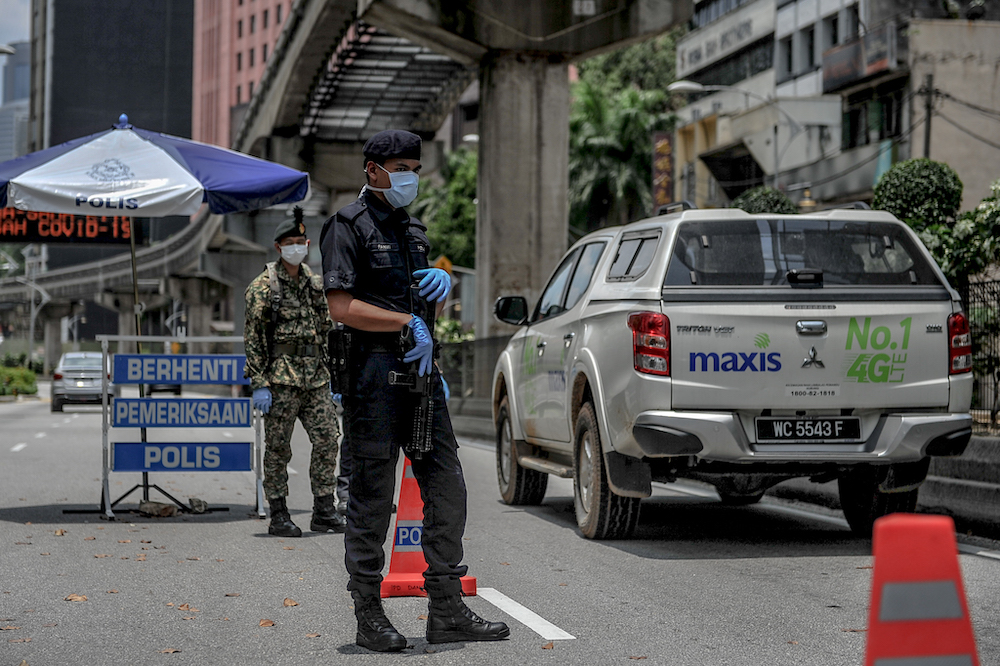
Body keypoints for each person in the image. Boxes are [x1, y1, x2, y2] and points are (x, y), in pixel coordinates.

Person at [320, 129, 509, 652]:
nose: (409, 176)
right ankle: (368, 614)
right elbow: (341, 307)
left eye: (415, 168)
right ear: (371, 169)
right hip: (373, 380)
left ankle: (446, 608)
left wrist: (438, 298)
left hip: (421, 382)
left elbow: (426, 310)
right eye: (399, 166)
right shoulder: (346, 226)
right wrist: (407, 322)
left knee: (447, 491)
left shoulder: (414, 229)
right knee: (372, 499)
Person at [244, 209, 347, 537]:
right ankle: (278, 513)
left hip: (315, 377)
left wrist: (335, 378)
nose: (296, 247)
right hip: (281, 380)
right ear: (278, 247)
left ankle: (324, 509)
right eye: (290, 243)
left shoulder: (316, 284)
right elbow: (254, 339)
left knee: (328, 439)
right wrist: (259, 383)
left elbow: (326, 330)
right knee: (278, 448)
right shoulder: (262, 287)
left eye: (300, 242)